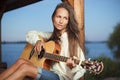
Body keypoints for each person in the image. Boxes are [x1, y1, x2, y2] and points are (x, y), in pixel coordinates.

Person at [0, 2, 86, 80]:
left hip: (61, 77)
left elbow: (81, 69)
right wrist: (37, 41)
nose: (61, 21)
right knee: (21, 61)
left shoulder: (73, 42)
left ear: (68, 21)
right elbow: (30, 34)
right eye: (58, 17)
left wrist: (72, 67)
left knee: (24, 68)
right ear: (53, 18)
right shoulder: (51, 35)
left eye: (65, 18)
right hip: (48, 71)